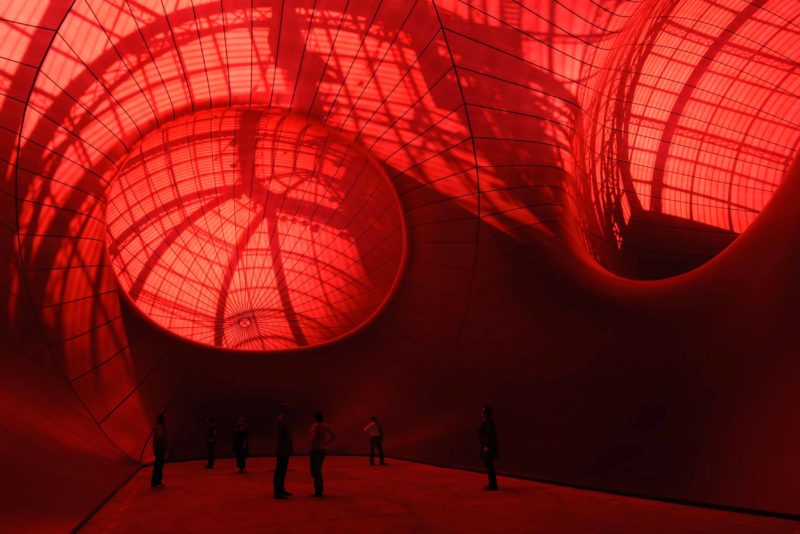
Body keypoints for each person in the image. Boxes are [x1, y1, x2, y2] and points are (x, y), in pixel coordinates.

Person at [309, 411, 335, 497]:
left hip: (316, 449)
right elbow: (333, 435)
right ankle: (320, 489)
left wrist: (311, 445)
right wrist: (326, 443)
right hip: (323, 450)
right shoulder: (325, 425)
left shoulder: (315, 426)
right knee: (318, 469)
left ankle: (318, 490)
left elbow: (312, 437)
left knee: (314, 470)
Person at [274, 403, 293, 499]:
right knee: (280, 470)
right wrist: (282, 450)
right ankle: (278, 491)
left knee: (283, 470)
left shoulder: (285, 420)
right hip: (282, 450)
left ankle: (281, 489)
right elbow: (280, 438)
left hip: (285, 449)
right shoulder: (281, 421)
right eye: (287, 408)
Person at [479, 405, 499, 491]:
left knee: (489, 465)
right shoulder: (487, 421)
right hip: (487, 446)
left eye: (483, 411)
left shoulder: (489, 422)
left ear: (486, 413)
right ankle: (492, 484)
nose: (482, 413)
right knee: (489, 465)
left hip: (488, 447)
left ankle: (492, 485)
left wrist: (486, 446)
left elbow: (489, 435)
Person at [151, 413, 167, 489]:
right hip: (159, 450)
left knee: (159, 465)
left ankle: (158, 481)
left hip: (159, 449)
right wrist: (162, 447)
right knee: (158, 466)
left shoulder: (159, 428)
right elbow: (159, 438)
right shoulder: (160, 429)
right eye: (165, 419)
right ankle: (156, 482)